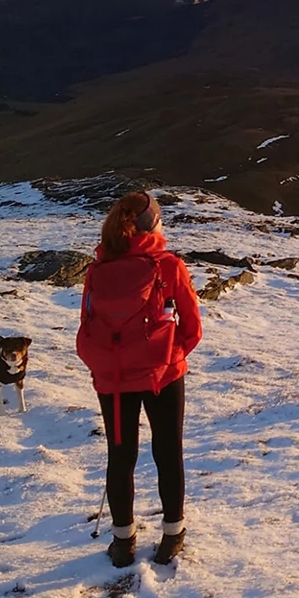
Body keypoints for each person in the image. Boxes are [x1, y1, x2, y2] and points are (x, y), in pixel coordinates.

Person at [75, 190, 201, 567]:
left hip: (112, 377)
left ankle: (123, 541)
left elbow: (88, 324)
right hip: (163, 373)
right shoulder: (168, 266)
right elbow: (193, 328)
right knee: (167, 450)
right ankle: (172, 534)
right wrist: (168, 356)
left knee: (120, 454)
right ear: (153, 225)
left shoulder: (97, 270)